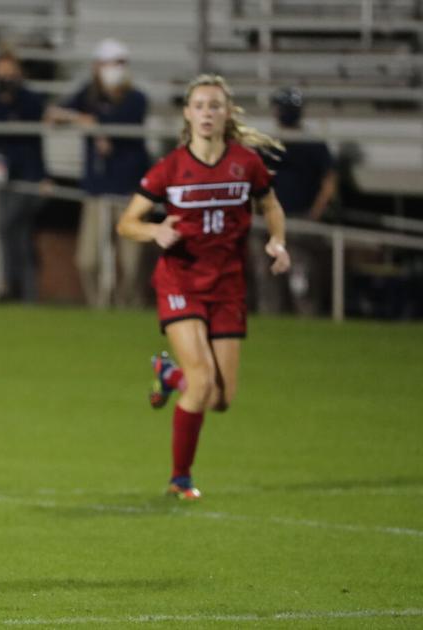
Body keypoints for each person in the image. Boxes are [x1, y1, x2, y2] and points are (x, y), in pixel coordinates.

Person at [115, 74, 291, 500]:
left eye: (215, 105)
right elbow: (126, 223)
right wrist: (154, 232)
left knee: (220, 397)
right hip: (180, 282)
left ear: (226, 113)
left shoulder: (244, 163)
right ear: (187, 114)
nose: (207, 113)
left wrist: (277, 241)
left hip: (227, 285)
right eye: (199, 105)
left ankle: (168, 375)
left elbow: (269, 203)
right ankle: (180, 478)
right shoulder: (170, 168)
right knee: (203, 378)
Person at [46, 38, 150, 308]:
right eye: (109, 63)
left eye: (119, 63)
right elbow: (56, 113)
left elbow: (113, 123)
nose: (114, 69)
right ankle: (98, 307)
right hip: (97, 189)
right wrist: (82, 121)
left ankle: (131, 308)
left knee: (131, 261)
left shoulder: (135, 99)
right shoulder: (88, 95)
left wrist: (91, 124)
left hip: (128, 190)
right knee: (88, 259)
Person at [251, 86, 336, 316]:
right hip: (269, 218)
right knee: (267, 273)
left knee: (301, 275)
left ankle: (306, 319)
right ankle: (271, 319)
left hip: (299, 217)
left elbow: (329, 182)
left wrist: (314, 213)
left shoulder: (312, 143)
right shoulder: (267, 143)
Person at [0, 50, 52, 301]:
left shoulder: (30, 99)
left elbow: (33, 138)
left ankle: (20, 288)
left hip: (28, 176)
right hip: (1, 177)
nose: (5, 79)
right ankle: (20, 290)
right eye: (0, 75)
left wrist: (44, 176)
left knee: (12, 229)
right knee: (14, 235)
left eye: (10, 74)